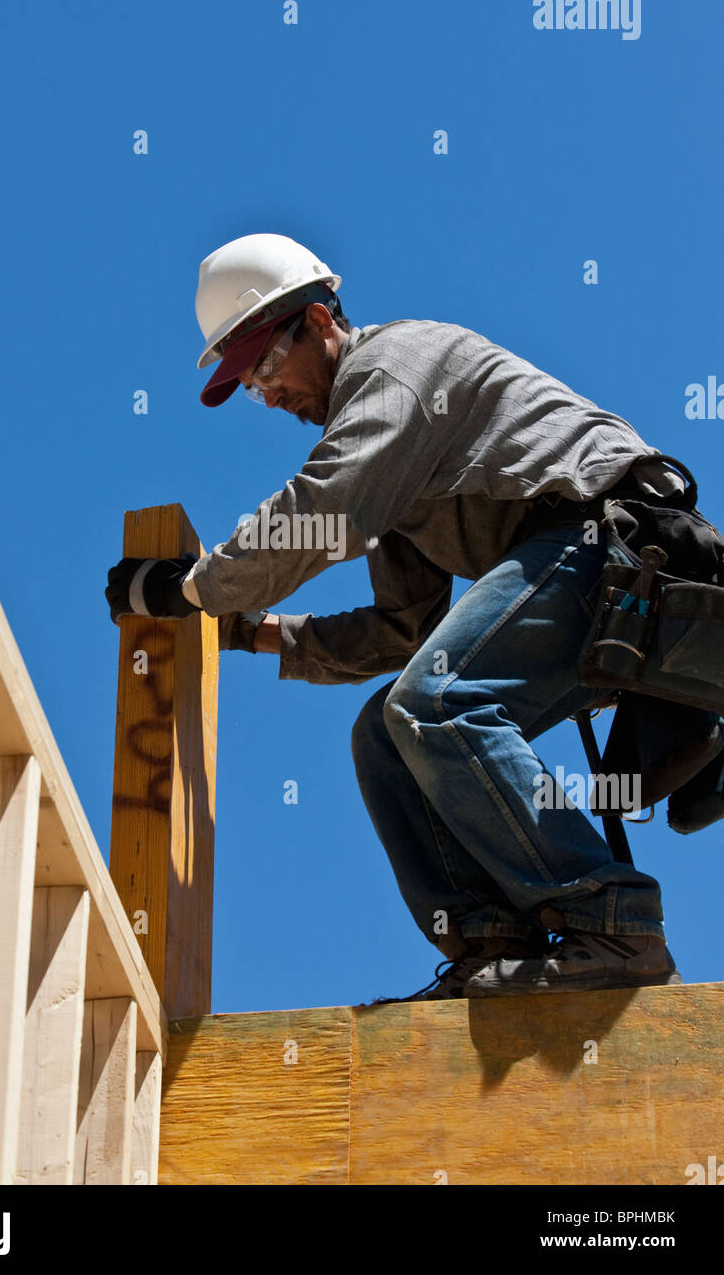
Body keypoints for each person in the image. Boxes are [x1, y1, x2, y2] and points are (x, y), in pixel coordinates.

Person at [106, 232, 691, 1000]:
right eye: (253, 386)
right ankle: (489, 938)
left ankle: (615, 928)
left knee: (439, 704)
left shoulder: (395, 371)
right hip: (578, 577)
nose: (270, 394)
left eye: (268, 367)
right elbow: (404, 631)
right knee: (386, 731)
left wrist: (193, 588)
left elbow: (324, 508)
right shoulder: (401, 473)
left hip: (619, 548)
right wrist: (253, 634)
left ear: (319, 323)